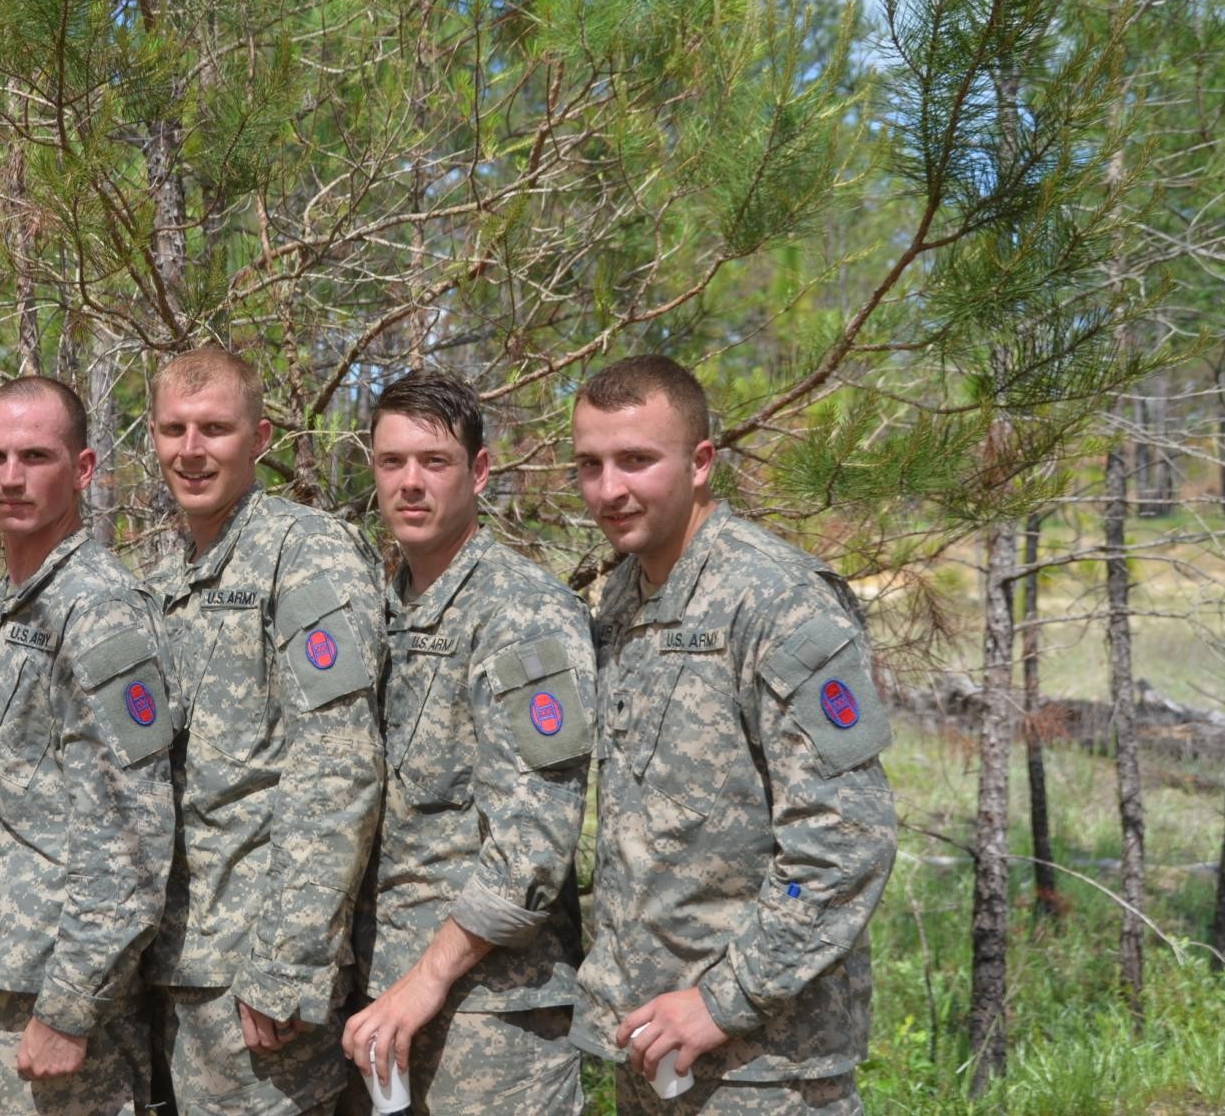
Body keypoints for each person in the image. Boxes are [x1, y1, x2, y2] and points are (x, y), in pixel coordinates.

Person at [569, 355, 898, 1114]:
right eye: (590, 465)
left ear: (702, 462)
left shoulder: (779, 601)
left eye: (637, 461)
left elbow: (845, 836)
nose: (609, 490)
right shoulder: (626, 594)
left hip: (764, 1066)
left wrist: (726, 997)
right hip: (652, 1046)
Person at [341, 370, 593, 1113]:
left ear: (479, 472)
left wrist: (426, 981)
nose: (410, 484)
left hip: (492, 1022)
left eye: (434, 462)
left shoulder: (522, 614)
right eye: (392, 463)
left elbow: (535, 842)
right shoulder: (385, 605)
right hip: (385, 1008)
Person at [0, 375, 179, 1116]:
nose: (10, 477)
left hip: (69, 1005)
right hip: (16, 972)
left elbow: (130, 837)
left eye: (35, 456)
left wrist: (70, 1006)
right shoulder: (18, 603)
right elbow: (23, 808)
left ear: (83, 469)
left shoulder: (99, 611)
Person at [146, 347, 385, 1115]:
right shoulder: (165, 571)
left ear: (260, 437)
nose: (191, 450)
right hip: (170, 965)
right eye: (173, 429)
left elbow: (339, 769)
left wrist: (286, 964)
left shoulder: (305, 554)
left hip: (253, 979)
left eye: (214, 428)